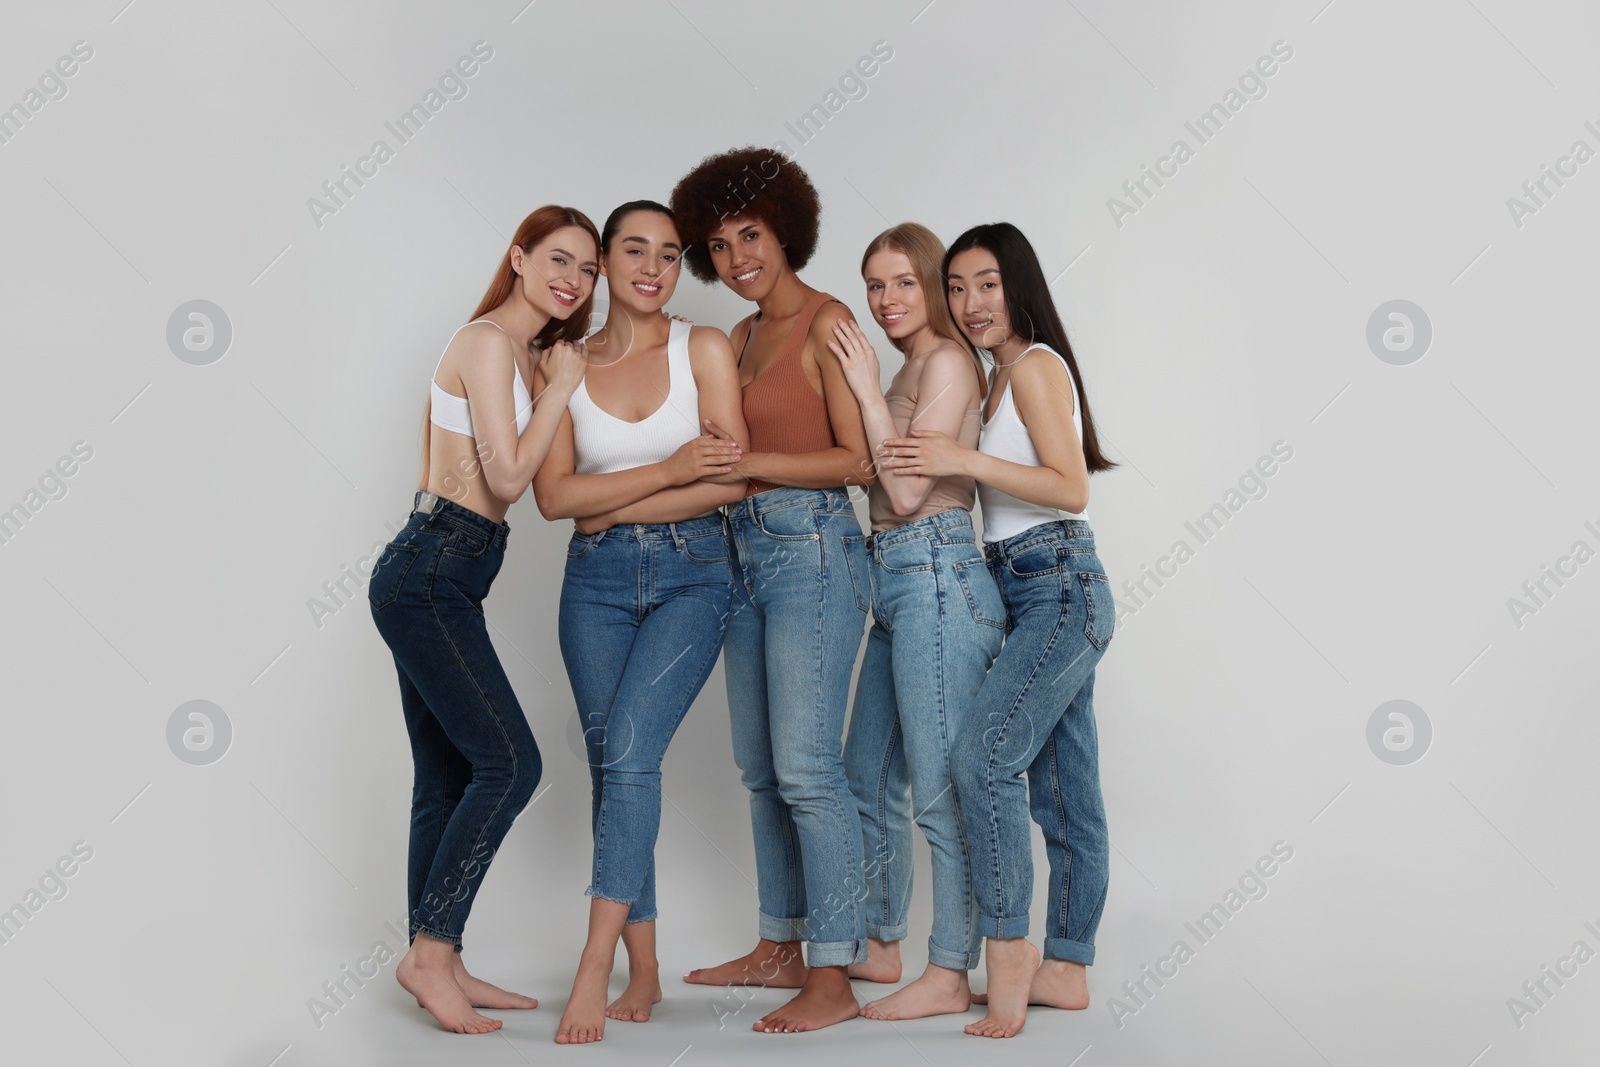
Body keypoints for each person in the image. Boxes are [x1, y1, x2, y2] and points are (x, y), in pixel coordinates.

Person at [877, 221, 1117, 1038]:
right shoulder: (991, 374)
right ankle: (1070, 966)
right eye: (957, 287)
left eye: (986, 284)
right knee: (1062, 783)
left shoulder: (1037, 366)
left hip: (1059, 582)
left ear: (1018, 284)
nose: (971, 304)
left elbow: (1070, 485)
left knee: (982, 759)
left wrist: (962, 459)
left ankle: (1008, 955)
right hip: (1019, 585)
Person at [367, 205, 599, 1034]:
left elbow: (535, 483)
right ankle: (428, 954)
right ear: (520, 257)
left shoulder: (521, 355)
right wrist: (563, 386)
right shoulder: (488, 341)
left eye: (587, 270)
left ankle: (445, 956)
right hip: (432, 567)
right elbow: (506, 479)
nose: (572, 280)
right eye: (559, 260)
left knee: (449, 773)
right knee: (510, 764)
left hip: (447, 572)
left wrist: (559, 379)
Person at [532, 200, 749, 1045]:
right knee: (614, 766)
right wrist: (665, 468)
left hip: (696, 573)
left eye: (669, 252)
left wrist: (609, 506)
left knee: (628, 754)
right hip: (592, 586)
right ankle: (646, 967)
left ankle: (595, 966)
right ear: (603, 263)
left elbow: (729, 481)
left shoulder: (704, 348)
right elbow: (554, 498)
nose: (653, 266)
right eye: (634, 249)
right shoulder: (563, 361)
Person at [670, 147, 876, 1033]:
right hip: (743, 554)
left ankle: (833, 971)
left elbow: (859, 459)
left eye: (748, 234)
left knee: (807, 768)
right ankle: (778, 942)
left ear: (786, 229)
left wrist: (751, 462)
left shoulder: (827, 323)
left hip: (816, 548)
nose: (736, 257)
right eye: (716, 244)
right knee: (760, 769)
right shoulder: (742, 335)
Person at [831, 222, 1004, 1020]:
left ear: (931, 283)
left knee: (937, 793)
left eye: (902, 281)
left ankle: (949, 969)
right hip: (894, 578)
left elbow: (904, 495)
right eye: (874, 284)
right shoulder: (911, 364)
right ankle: (882, 938)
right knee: (864, 774)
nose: (885, 299)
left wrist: (867, 393)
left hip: (935, 570)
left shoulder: (944, 362)